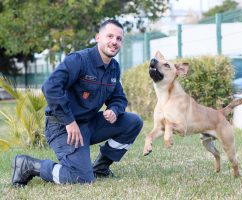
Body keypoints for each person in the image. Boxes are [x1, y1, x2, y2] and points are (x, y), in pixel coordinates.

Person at [11, 19, 143, 186]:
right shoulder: (79, 60)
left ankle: (101, 168)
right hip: (61, 126)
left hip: (88, 124)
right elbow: (51, 87)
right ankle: (29, 165)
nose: (114, 42)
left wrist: (115, 110)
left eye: (119, 39)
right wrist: (69, 120)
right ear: (98, 38)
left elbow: (119, 98)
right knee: (81, 178)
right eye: (110, 36)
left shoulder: (114, 67)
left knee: (133, 122)